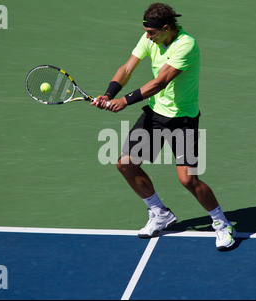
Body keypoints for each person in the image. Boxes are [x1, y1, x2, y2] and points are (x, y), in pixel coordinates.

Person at [91, 2, 236, 250]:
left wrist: (124, 101)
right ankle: (159, 212)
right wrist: (109, 92)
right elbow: (127, 68)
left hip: (183, 118)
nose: (148, 37)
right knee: (125, 164)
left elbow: (161, 81)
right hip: (156, 114)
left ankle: (222, 223)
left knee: (188, 179)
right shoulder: (150, 37)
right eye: (146, 32)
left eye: (152, 33)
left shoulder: (187, 45)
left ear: (167, 28)